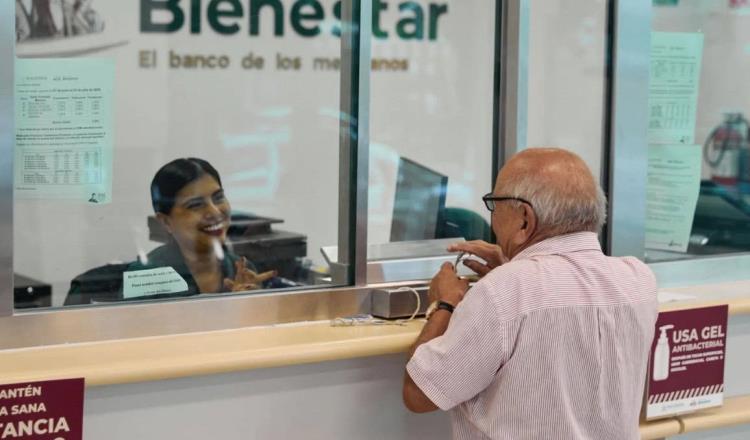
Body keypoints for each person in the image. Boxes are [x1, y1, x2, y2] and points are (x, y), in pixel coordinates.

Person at [402, 148, 658, 439]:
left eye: (494, 205)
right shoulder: (639, 280)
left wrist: (444, 303)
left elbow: (419, 395)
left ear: (524, 219)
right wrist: (512, 269)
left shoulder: (504, 290)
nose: (494, 220)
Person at [65, 158, 275, 305]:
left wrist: (252, 306)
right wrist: (227, 310)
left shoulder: (241, 269)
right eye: (195, 205)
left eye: (218, 198)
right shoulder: (147, 276)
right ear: (166, 221)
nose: (214, 211)